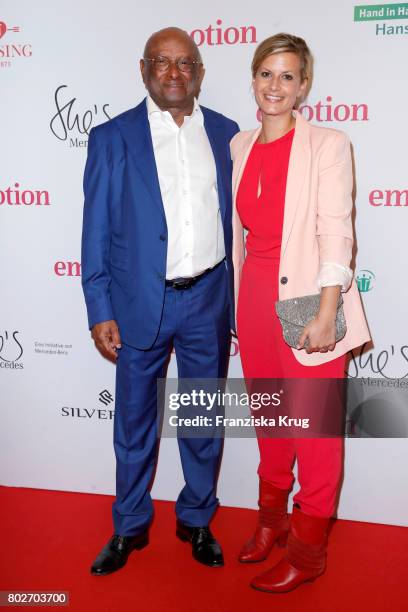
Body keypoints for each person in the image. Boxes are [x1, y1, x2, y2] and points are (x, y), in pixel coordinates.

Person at [81, 26, 239, 575]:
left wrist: (233, 308)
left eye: (185, 63)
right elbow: (95, 227)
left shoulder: (227, 133)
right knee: (133, 424)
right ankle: (129, 527)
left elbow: (238, 227)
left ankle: (196, 519)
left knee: (201, 419)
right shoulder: (112, 137)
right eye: (162, 62)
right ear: (143, 70)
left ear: (199, 72)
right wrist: (99, 307)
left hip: (209, 299)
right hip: (138, 305)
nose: (174, 73)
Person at [231, 33, 370, 593]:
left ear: (305, 85)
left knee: (314, 436)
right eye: (267, 73)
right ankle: (271, 522)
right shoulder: (239, 145)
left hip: (311, 299)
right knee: (271, 420)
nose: (276, 86)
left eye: (288, 76)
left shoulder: (329, 144)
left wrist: (326, 311)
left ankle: (308, 554)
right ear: (253, 78)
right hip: (253, 298)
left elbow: (338, 232)